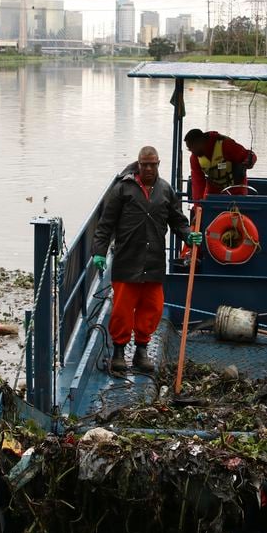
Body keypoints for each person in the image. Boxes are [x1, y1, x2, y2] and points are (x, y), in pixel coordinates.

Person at [92, 146, 203, 374]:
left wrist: (188, 235)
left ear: (159, 164)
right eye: (145, 164)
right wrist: (99, 251)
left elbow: (177, 220)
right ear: (138, 164)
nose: (149, 168)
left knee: (152, 308)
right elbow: (106, 224)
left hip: (154, 261)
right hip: (127, 260)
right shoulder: (123, 189)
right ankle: (119, 352)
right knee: (122, 310)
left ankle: (141, 351)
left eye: (153, 164)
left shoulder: (165, 190)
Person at [183, 128, 257, 202]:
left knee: (237, 208)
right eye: (189, 149)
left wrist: (250, 161)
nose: (191, 151)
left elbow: (248, 155)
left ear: (200, 141)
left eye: (192, 147)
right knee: (206, 204)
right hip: (213, 190)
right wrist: (198, 205)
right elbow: (197, 183)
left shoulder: (225, 145)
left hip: (237, 188)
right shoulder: (195, 158)